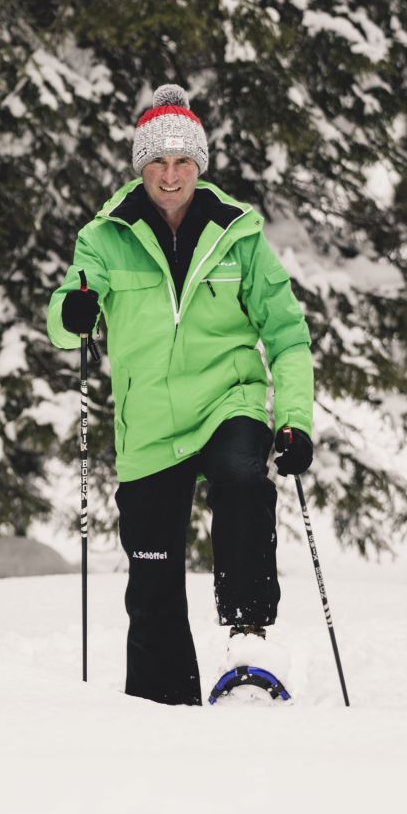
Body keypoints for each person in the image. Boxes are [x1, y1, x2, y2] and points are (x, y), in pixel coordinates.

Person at [46, 84, 315, 706]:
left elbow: (287, 334)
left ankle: (250, 642)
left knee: (243, 481)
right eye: (159, 163)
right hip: (149, 425)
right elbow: (63, 321)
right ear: (142, 167)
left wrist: (295, 419)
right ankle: (162, 711)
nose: (171, 175)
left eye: (183, 162)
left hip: (230, 402)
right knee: (152, 580)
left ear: (200, 165)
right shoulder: (104, 236)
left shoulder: (237, 234)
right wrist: (77, 310)